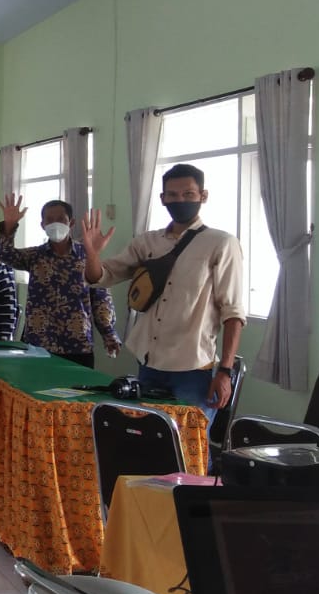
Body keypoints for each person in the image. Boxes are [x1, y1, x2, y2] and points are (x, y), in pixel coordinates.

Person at [83, 163, 245, 421]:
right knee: (148, 436)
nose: (180, 200)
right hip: (149, 363)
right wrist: (92, 253)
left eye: (188, 194)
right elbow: (100, 277)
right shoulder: (147, 242)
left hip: (193, 368)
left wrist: (225, 371)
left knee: (189, 440)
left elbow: (233, 312)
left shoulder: (221, 243)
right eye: (172, 194)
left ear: (203, 196)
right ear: (162, 198)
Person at [0, 196, 120, 368]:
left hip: (78, 343)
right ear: (42, 225)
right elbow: (5, 254)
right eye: (50, 219)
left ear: (71, 223)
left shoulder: (87, 255)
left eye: (61, 219)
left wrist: (109, 333)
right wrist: (9, 226)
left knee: (78, 386)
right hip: (38, 343)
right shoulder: (34, 256)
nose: (55, 223)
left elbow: (101, 297)